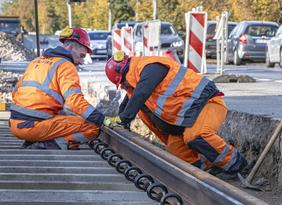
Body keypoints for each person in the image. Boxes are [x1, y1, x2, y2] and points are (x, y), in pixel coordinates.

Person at [104, 51, 247, 177]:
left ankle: (236, 166)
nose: (123, 87)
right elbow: (128, 102)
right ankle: (205, 171)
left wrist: (123, 119)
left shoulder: (150, 67)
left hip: (208, 104)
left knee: (196, 135)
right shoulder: (136, 81)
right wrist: (118, 121)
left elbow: (140, 95)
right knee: (174, 149)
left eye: (122, 83)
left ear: (124, 73)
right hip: (186, 119)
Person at [9, 27, 105, 150]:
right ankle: (45, 145)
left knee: (65, 115)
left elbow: (15, 92)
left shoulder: (37, 61)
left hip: (15, 125)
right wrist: (100, 118)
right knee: (91, 127)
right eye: (81, 56)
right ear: (71, 48)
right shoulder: (66, 66)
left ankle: (35, 140)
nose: (81, 61)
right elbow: (74, 101)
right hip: (33, 127)